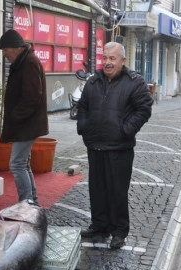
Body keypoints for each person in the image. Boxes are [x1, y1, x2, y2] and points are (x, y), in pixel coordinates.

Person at [76, 42, 153, 249]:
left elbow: (144, 109)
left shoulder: (134, 82)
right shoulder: (93, 82)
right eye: (105, 58)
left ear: (123, 60)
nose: (107, 63)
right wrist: (83, 127)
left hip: (119, 148)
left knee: (117, 191)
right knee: (97, 189)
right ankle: (99, 226)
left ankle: (119, 231)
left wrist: (125, 130)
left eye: (112, 58)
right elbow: (82, 107)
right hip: (95, 145)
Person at [0, 29, 49, 204]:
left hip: (26, 124)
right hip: (25, 123)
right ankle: (31, 201)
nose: (4, 54)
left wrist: (15, 116)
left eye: (5, 49)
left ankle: (26, 203)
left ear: (16, 47)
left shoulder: (28, 62)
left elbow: (32, 96)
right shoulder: (25, 60)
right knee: (22, 163)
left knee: (17, 164)